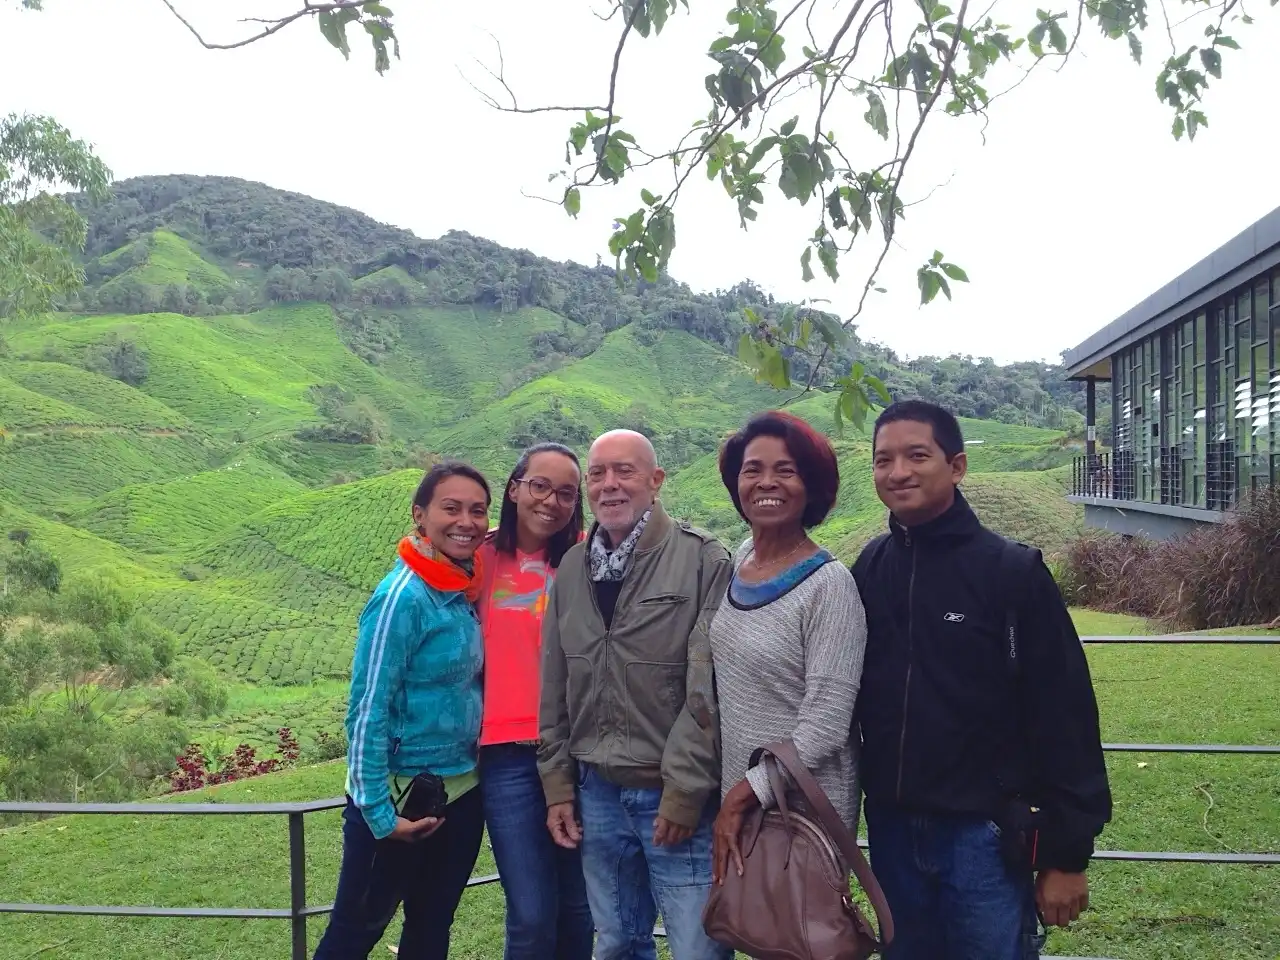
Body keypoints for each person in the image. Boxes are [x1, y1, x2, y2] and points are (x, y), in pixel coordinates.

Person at [851, 400, 1112, 960]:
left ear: (957, 466)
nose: (898, 472)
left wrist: (1066, 855)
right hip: (892, 830)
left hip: (985, 836)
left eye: (917, 456)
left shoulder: (1011, 573)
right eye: (883, 460)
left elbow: (1065, 715)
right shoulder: (870, 568)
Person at [538, 428, 733, 960]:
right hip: (595, 792)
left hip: (671, 792)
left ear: (656, 480)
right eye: (598, 474)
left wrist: (684, 791)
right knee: (617, 942)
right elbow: (555, 682)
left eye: (624, 471)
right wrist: (558, 785)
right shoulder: (573, 568)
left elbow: (709, 687)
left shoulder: (701, 559)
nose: (610, 485)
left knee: (697, 948)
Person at [314, 460, 491, 960]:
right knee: (354, 933)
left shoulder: (461, 587)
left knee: (431, 927)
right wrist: (377, 813)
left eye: (478, 511)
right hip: (398, 798)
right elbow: (368, 708)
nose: (466, 521)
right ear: (419, 515)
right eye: (451, 508)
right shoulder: (403, 597)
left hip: (460, 793)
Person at [707, 411, 867, 887]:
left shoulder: (829, 586)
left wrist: (744, 793)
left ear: (810, 485)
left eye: (786, 470)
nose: (766, 482)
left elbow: (826, 724)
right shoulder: (741, 558)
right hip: (743, 799)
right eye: (752, 469)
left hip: (802, 812)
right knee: (746, 919)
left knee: (799, 924)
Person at [476, 442, 594, 960]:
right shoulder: (478, 557)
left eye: (566, 493)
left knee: (579, 906)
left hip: (580, 749)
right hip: (507, 754)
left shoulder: (587, 558)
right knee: (530, 912)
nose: (551, 501)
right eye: (539, 486)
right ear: (514, 488)